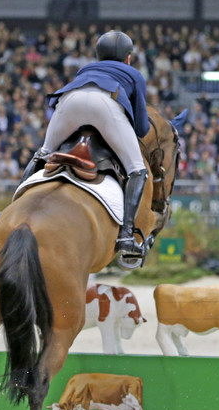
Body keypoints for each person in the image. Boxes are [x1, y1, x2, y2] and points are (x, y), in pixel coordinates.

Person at [19, 30, 150, 263]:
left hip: (69, 102)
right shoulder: (134, 73)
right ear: (128, 57)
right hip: (105, 106)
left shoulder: (85, 70)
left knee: (43, 153)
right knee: (137, 170)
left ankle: (15, 211)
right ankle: (126, 237)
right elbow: (141, 128)